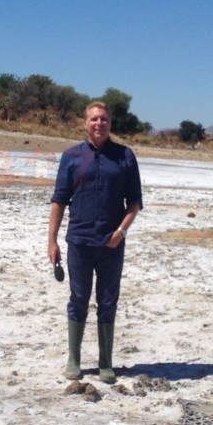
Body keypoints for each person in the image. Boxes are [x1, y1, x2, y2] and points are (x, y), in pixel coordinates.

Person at [48, 102, 143, 384]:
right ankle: (74, 359)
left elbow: (134, 202)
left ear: (110, 123)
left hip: (112, 243)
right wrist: (52, 241)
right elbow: (59, 200)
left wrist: (120, 233)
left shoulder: (124, 156)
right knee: (78, 299)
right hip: (79, 241)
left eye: (104, 119)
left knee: (108, 301)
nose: (99, 123)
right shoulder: (71, 156)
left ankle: (105, 363)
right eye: (94, 119)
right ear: (85, 123)